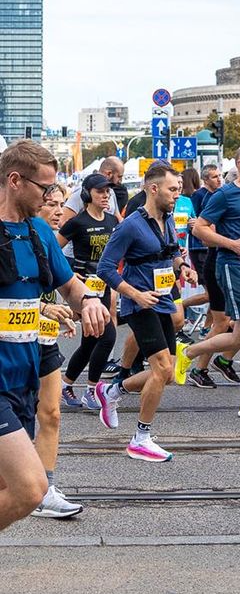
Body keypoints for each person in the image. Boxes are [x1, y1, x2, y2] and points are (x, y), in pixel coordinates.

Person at [0, 140, 110, 532]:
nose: (52, 197)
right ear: (15, 181)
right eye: (44, 188)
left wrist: (90, 300)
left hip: (24, 377)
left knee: (6, 488)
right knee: (31, 489)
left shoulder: (39, 233)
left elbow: (69, 284)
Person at [94, 164, 197, 461]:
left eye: (178, 188)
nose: (177, 194)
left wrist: (184, 269)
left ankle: (112, 391)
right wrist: (134, 293)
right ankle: (140, 438)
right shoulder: (130, 226)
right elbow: (105, 268)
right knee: (163, 369)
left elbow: (172, 253)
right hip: (140, 304)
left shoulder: (165, 219)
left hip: (162, 300)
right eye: (172, 189)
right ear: (153, 189)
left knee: (167, 375)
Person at [175, 145, 240, 422]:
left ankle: (189, 351)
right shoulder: (225, 194)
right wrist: (231, 243)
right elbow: (198, 228)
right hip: (232, 267)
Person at [31, 184, 82, 518]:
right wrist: (41, 309)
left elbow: (69, 286)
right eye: (50, 204)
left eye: (61, 204)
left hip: (44, 341)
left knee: (51, 413)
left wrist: (76, 309)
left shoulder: (52, 243)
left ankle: (44, 489)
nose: (58, 212)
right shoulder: (13, 236)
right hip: (13, 342)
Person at [57, 173, 118, 411]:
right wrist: (72, 274)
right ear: (87, 194)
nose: (105, 196)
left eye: (107, 192)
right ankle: (92, 390)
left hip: (103, 288)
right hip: (82, 292)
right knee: (108, 335)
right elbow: (54, 252)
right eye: (100, 191)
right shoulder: (77, 223)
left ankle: (65, 384)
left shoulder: (113, 221)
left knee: (90, 342)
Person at [62, 156, 124, 221]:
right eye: (119, 176)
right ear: (109, 173)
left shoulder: (111, 191)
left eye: (107, 191)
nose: (120, 181)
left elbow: (118, 218)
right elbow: (63, 220)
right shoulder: (84, 191)